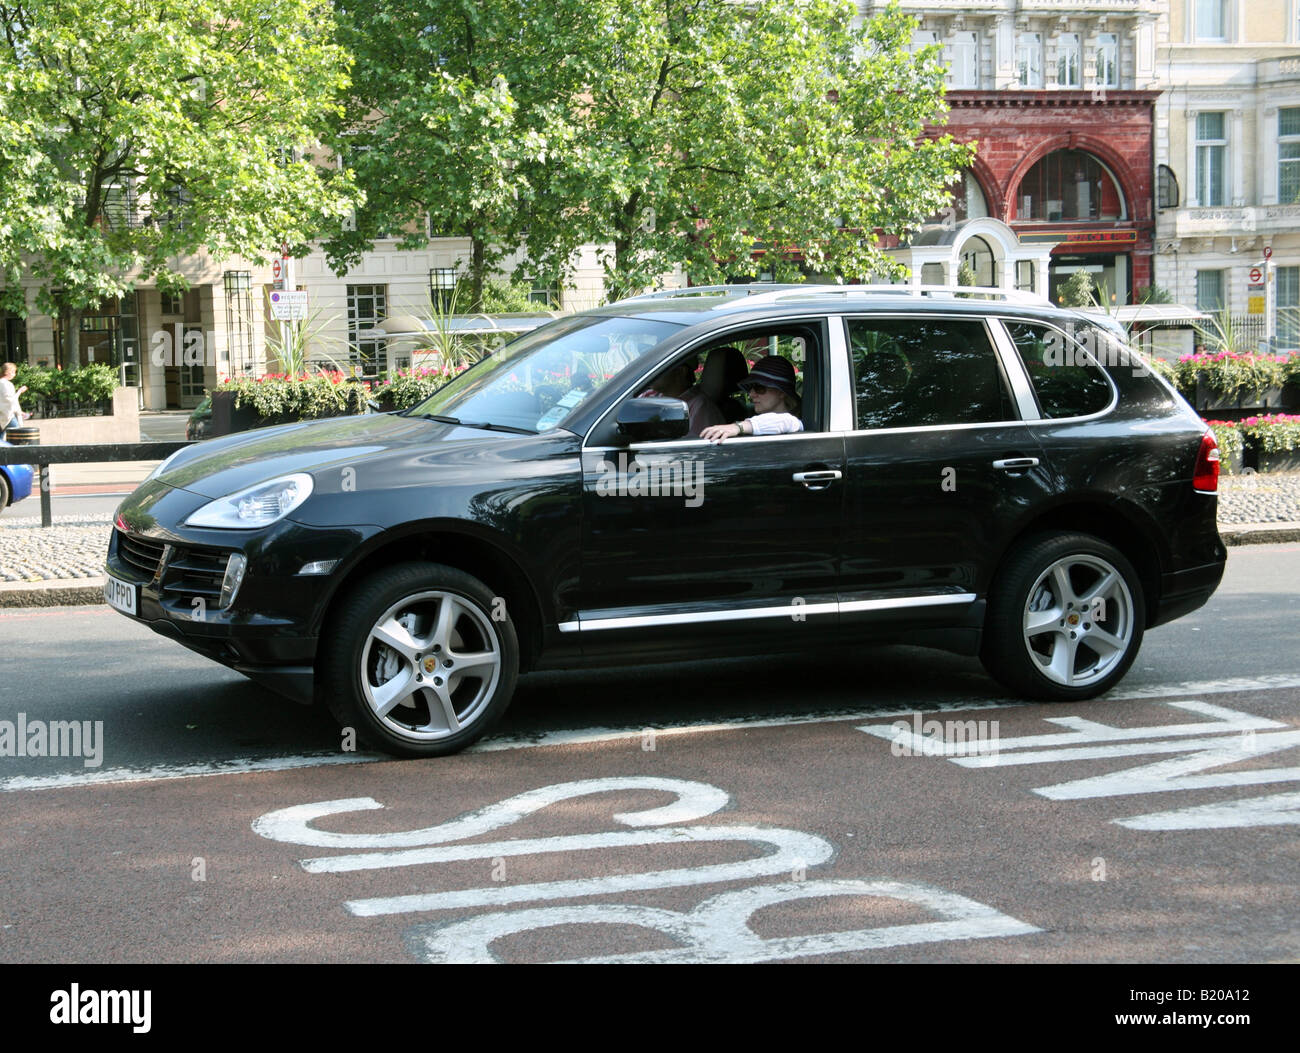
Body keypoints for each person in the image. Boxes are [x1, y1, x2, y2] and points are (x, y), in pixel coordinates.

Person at [700, 355, 802, 442]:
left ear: (781, 392)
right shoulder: (754, 421)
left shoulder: (794, 424)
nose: (751, 394)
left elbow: (785, 421)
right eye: (751, 388)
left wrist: (737, 427)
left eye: (759, 388)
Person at [0, 362, 27, 437]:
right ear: (8, 372)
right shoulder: (7, 384)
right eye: (13, 372)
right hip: (8, 415)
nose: (14, 374)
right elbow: (11, 400)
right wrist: (19, 392)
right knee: (19, 435)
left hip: (2, 414)